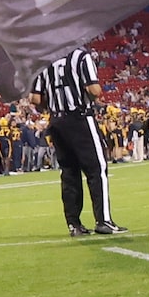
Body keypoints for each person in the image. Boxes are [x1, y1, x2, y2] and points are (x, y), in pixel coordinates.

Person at [33, 44, 122, 237]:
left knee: (69, 173)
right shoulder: (80, 56)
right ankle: (103, 220)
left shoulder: (44, 60)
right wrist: (89, 96)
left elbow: (35, 98)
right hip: (80, 117)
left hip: (56, 121)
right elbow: (94, 89)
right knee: (97, 168)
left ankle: (74, 224)